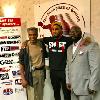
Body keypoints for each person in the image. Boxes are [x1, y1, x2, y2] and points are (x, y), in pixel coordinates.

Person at [66, 26, 100, 100]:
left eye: (75, 31)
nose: (72, 33)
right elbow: (68, 65)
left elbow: (95, 67)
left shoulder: (90, 45)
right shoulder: (69, 49)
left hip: (85, 88)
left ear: (80, 33)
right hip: (73, 88)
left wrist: (93, 85)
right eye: (71, 32)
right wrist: (68, 81)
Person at [43, 21, 74, 100]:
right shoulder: (48, 40)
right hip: (53, 71)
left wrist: (87, 41)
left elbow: (79, 38)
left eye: (56, 29)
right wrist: (26, 42)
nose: (54, 31)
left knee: (67, 93)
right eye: (53, 29)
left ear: (61, 30)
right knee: (56, 92)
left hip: (64, 71)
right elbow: (37, 40)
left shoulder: (68, 40)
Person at [19, 27, 47, 100]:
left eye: (34, 34)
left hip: (41, 73)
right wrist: (23, 78)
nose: (32, 37)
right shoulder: (25, 47)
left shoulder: (41, 44)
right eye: (30, 35)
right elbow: (21, 63)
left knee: (40, 96)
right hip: (30, 74)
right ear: (28, 35)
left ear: (37, 35)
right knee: (32, 97)